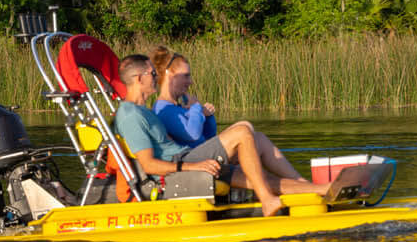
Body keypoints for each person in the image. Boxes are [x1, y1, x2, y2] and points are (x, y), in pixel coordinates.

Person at [114, 54, 334, 217]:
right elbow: (150, 165)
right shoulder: (129, 115)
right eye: (153, 74)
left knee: (257, 148)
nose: (156, 77)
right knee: (241, 131)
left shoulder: (144, 110)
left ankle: (318, 189)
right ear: (138, 78)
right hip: (180, 168)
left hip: (186, 157)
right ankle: (267, 200)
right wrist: (194, 166)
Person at [149, 46, 310, 185]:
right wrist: (197, 108)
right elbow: (192, 134)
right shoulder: (164, 109)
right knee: (242, 129)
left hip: (199, 152)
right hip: (192, 160)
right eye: (186, 75)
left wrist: (207, 116)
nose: (190, 81)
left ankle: (300, 182)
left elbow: (207, 136)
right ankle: (263, 188)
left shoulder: (179, 106)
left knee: (256, 135)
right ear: (170, 74)